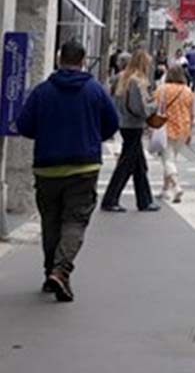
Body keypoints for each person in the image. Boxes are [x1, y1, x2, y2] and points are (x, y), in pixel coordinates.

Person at [16, 39, 119, 302]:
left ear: (60, 59)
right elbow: (112, 123)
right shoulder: (95, 91)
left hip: (47, 167)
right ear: (83, 60)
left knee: (50, 222)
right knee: (75, 220)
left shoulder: (42, 91)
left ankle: (51, 272)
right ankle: (60, 271)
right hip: (83, 166)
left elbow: (25, 125)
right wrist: (93, 136)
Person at [101, 50, 160, 213]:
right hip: (134, 124)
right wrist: (154, 105)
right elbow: (139, 107)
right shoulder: (136, 81)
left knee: (139, 165)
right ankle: (111, 199)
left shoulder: (122, 78)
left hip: (125, 123)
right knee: (126, 165)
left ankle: (145, 200)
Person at [153, 66, 194, 203]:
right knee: (172, 158)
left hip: (166, 127)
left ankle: (176, 187)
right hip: (183, 127)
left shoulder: (162, 89)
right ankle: (165, 189)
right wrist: (190, 131)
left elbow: (155, 108)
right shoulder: (187, 91)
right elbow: (191, 112)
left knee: (167, 159)